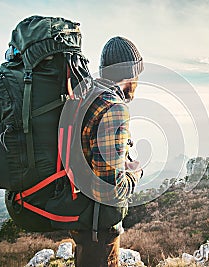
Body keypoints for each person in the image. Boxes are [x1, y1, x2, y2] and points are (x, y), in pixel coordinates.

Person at [69, 36, 144, 267]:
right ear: (130, 75)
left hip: (82, 217)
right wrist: (134, 173)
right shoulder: (113, 108)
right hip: (98, 229)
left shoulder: (89, 95)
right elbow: (109, 191)